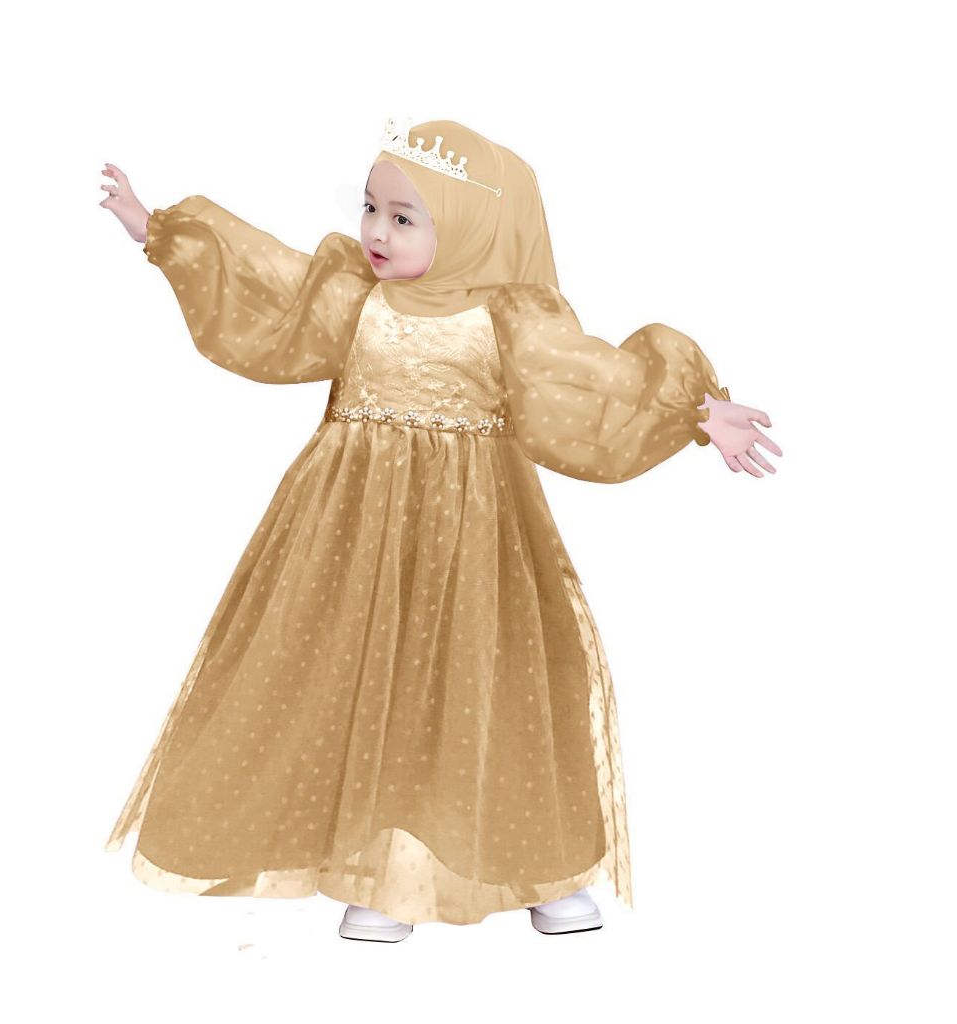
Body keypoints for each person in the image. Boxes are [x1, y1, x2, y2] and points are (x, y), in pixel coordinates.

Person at [100, 117, 781, 944]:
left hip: (476, 538)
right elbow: (271, 279)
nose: (376, 231)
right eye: (370, 208)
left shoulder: (509, 320)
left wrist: (696, 412)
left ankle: (541, 870)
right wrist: (158, 230)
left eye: (403, 217)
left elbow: (591, 379)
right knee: (356, 683)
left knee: (492, 689)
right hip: (349, 534)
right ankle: (378, 872)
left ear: (470, 229)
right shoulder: (354, 299)